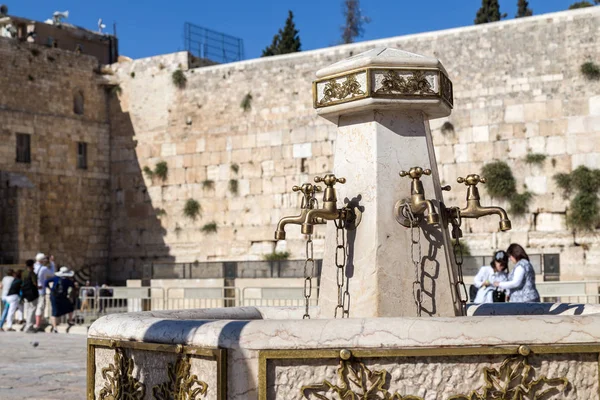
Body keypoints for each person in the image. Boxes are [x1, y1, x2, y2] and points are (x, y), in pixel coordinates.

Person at [45, 266, 75, 333]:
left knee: (54, 312)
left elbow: (46, 282)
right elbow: (73, 287)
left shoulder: (56, 278)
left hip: (54, 296)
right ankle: (70, 320)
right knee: (70, 308)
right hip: (62, 296)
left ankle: (55, 327)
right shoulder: (68, 281)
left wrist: (50, 289)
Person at [33, 253, 53, 331]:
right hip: (40, 290)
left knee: (33, 307)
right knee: (40, 307)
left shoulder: (33, 267)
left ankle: (33, 323)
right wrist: (51, 262)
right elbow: (51, 273)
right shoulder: (43, 269)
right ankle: (37, 324)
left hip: (33, 290)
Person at [21, 260, 39, 333]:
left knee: (28, 309)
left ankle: (27, 326)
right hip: (32, 293)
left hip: (25, 293)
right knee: (32, 309)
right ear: (32, 265)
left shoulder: (23, 273)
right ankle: (29, 326)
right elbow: (35, 283)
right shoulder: (32, 273)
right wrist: (39, 287)